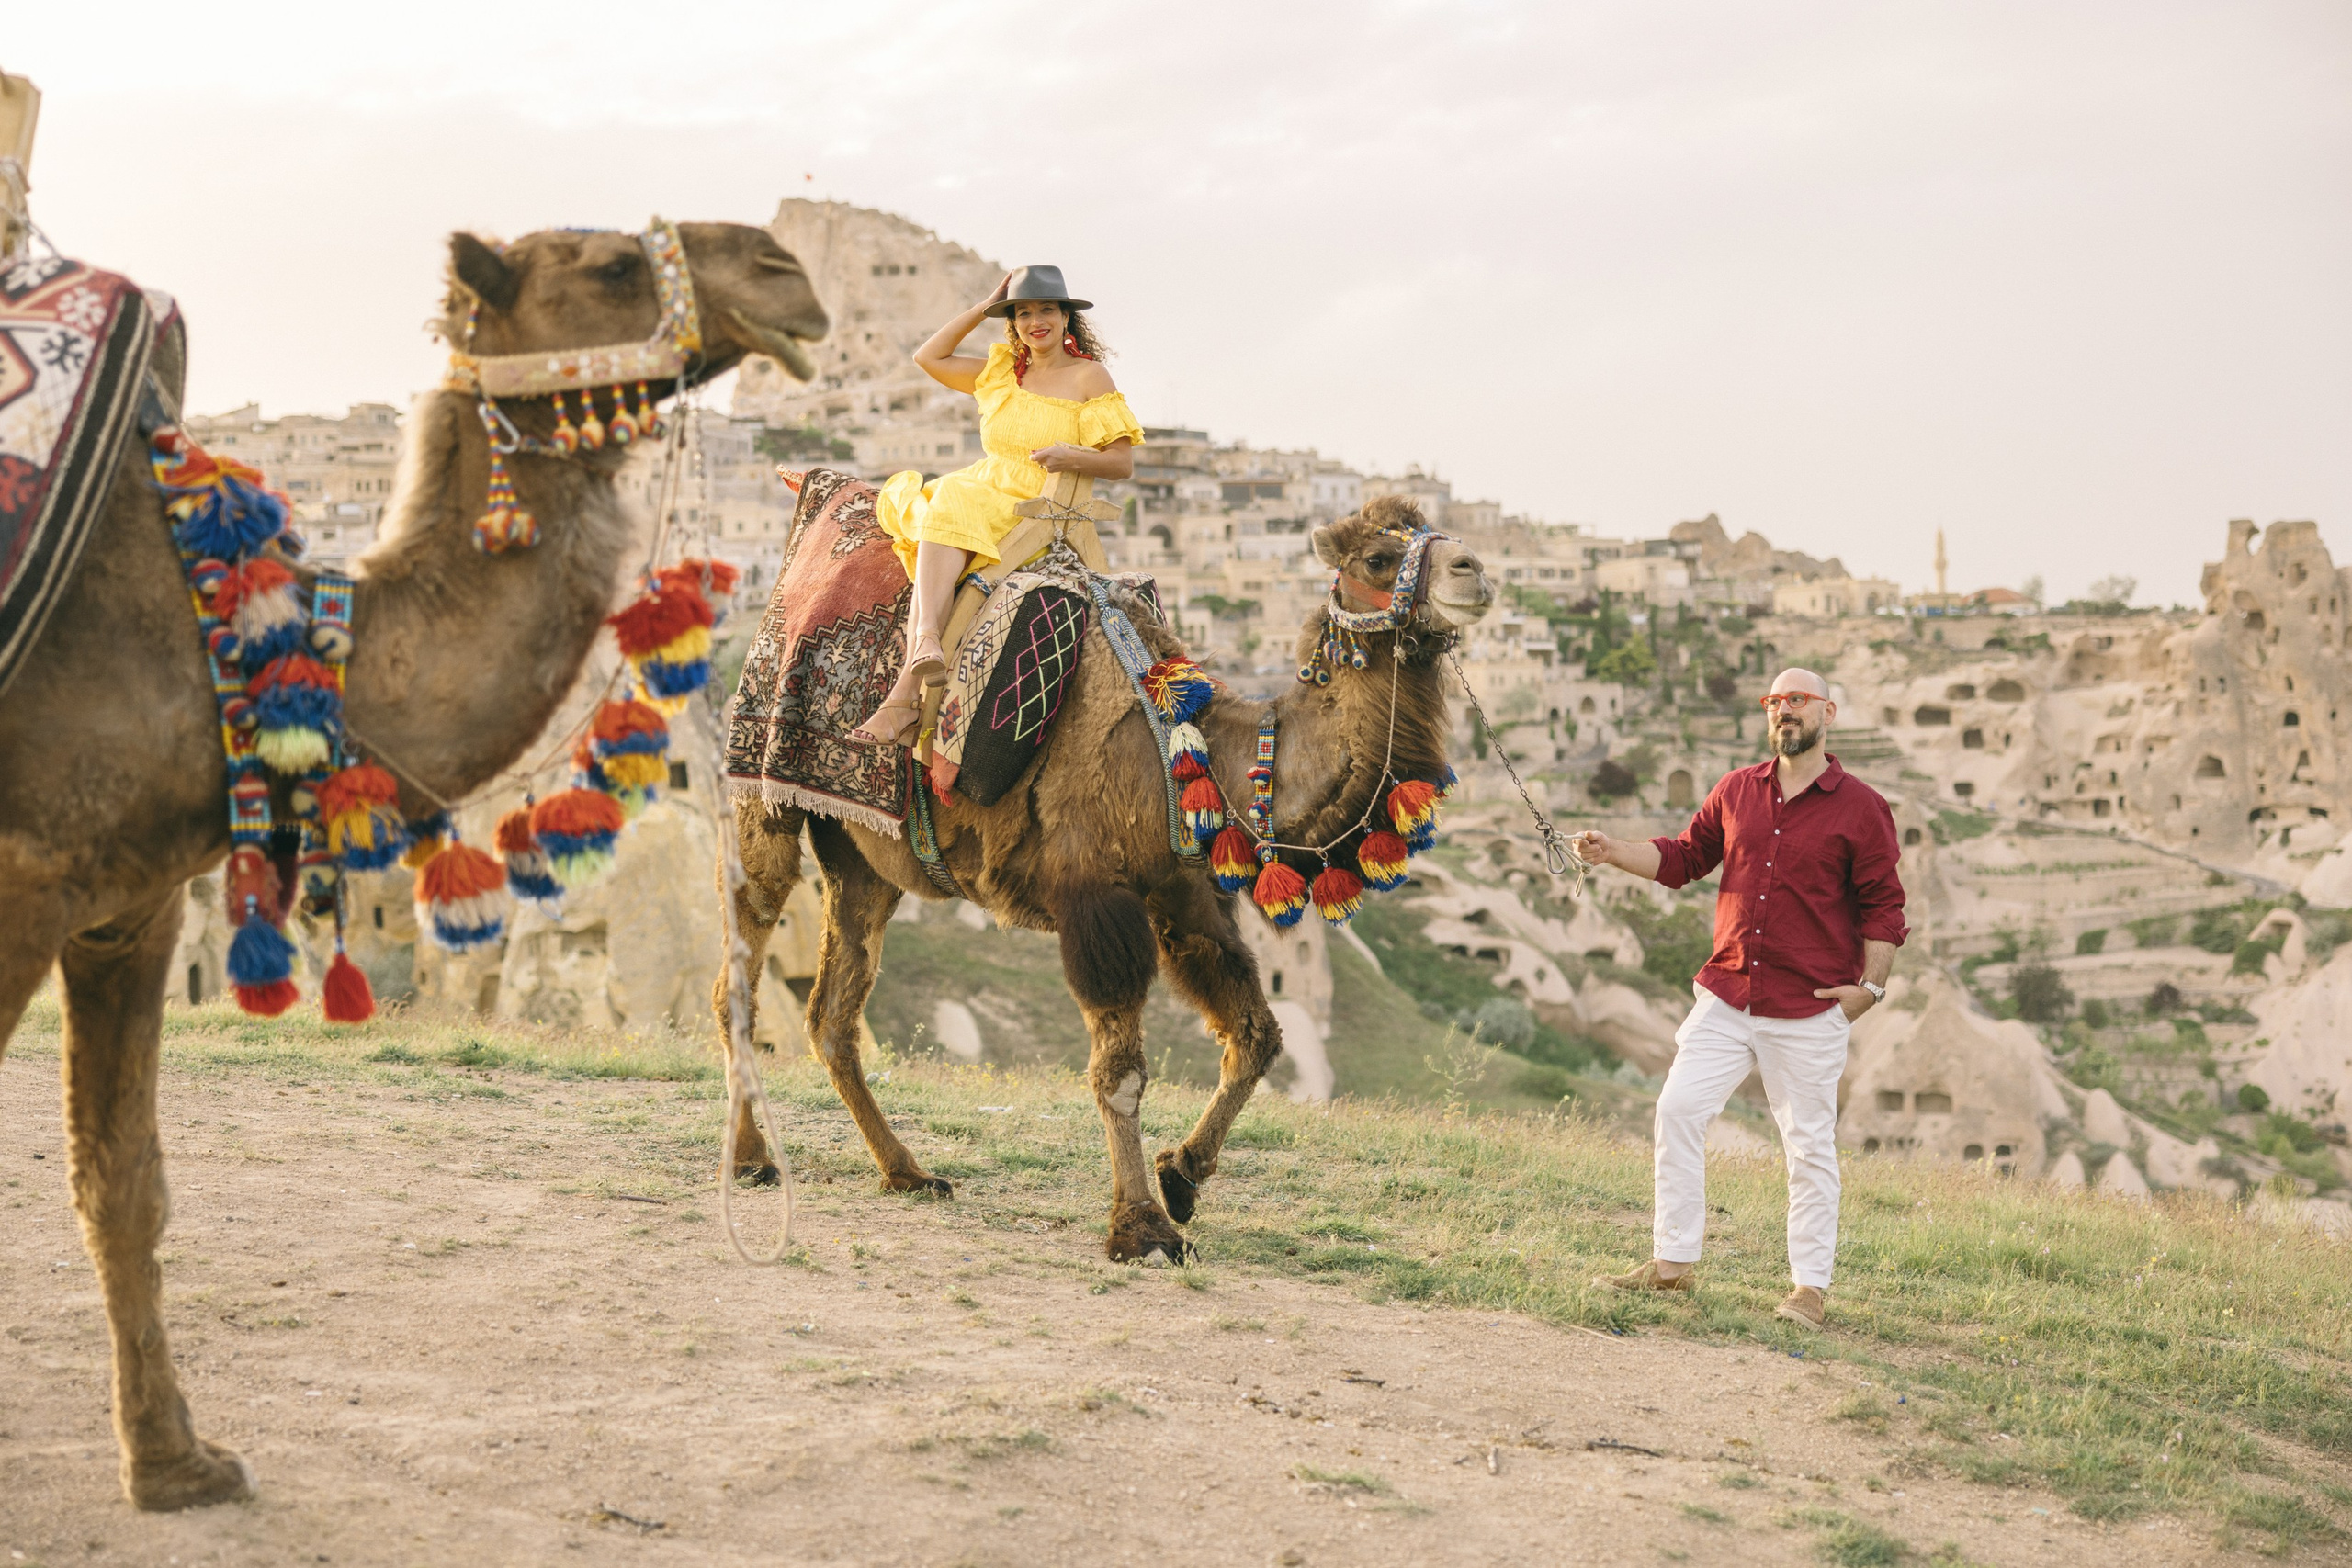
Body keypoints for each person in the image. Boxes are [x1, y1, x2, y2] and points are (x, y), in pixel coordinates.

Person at [1572, 668, 1906, 1330]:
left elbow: (1885, 905)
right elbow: (1682, 858)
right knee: (1677, 1109)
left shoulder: (1862, 806)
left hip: (1809, 1005)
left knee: (1808, 1146)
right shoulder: (1735, 790)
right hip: (1727, 994)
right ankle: (1672, 1264)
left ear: (1828, 712)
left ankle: (1808, 1289)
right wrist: (1612, 851)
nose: (1785, 710)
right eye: (1775, 701)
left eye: (1798, 700)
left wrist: (1868, 989)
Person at [818, 265, 1142, 746]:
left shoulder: (1088, 376)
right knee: (944, 499)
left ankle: (907, 685)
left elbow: (1121, 462)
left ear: (1066, 316)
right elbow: (928, 356)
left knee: (948, 500)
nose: (1036, 321)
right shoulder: (1000, 374)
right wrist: (983, 305)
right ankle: (924, 645)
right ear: (1011, 322)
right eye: (1022, 312)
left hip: (1036, 500)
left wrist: (1069, 455)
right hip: (984, 484)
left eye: (1046, 309)